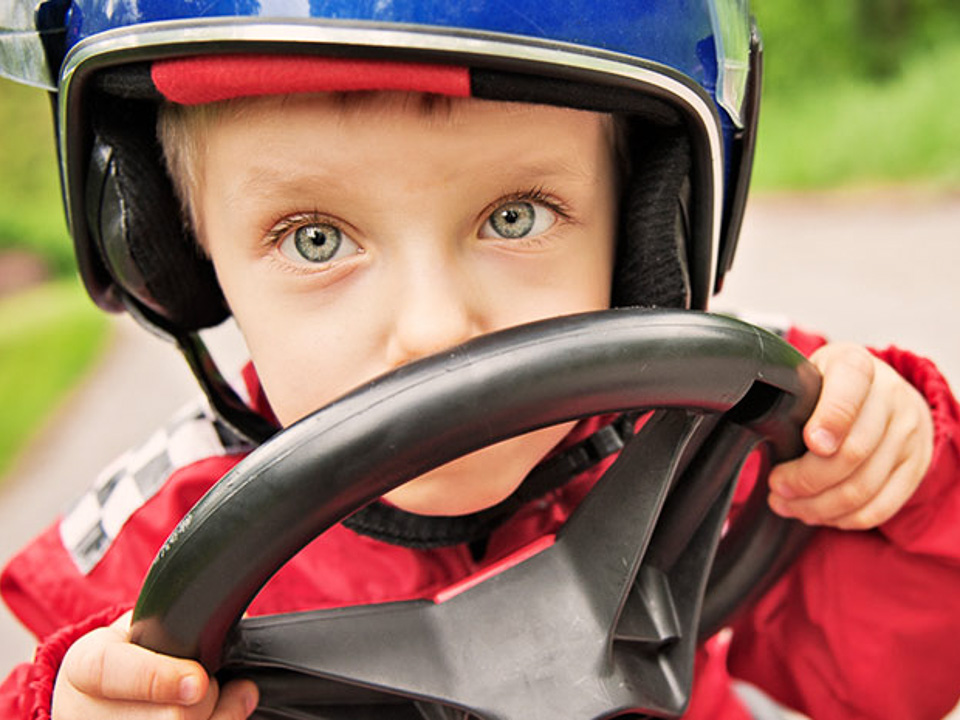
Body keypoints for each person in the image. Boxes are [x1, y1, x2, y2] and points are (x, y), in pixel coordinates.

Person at [1, 3, 958, 719]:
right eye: (315, 239)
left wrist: (896, 486)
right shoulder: (142, 565)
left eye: (515, 218)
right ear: (174, 255)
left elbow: (890, 679)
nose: (432, 329)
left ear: (645, 238)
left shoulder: (706, 441)